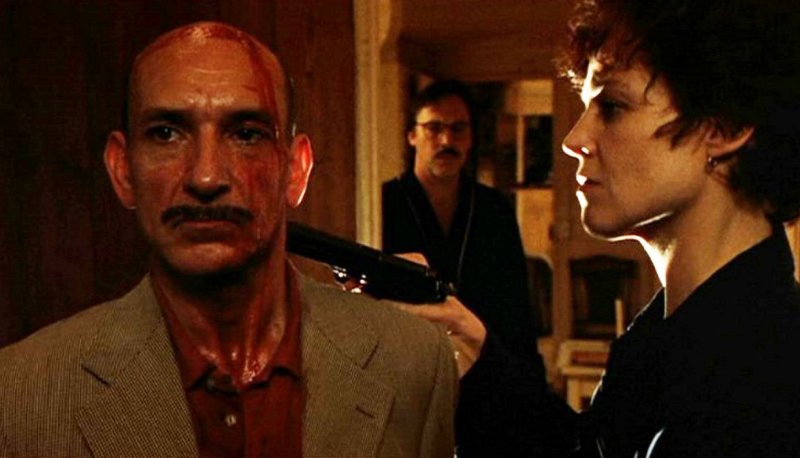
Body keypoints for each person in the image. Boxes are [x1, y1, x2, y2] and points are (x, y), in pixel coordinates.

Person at [0, 22, 457, 458]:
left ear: (296, 170)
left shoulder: (414, 361)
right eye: (166, 134)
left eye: (246, 134)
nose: (205, 176)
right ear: (123, 170)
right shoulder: (23, 394)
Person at [400, 0, 800, 456]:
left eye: (612, 106)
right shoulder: (664, 337)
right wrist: (474, 355)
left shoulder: (767, 376)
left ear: (724, 128)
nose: (573, 141)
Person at [381, 80, 541, 456]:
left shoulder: (494, 209)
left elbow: (517, 304)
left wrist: (527, 383)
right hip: (409, 374)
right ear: (412, 135)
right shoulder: (384, 202)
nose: (446, 140)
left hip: (484, 376)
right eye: (434, 128)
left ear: (470, 138)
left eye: (458, 129)